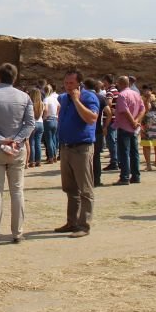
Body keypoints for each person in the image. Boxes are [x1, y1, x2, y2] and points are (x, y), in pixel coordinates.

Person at [0, 63, 35, 245]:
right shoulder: (24, 97)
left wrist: (0, 139)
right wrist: (16, 140)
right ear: (15, 78)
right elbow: (30, 124)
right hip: (17, 149)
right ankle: (17, 233)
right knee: (17, 191)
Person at [54, 71, 100, 238]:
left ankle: (84, 225)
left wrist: (76, 100)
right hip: (66, 148)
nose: (68, 86)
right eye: (66, 83)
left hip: (81, 148)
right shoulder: (63, 98)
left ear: (79, 84)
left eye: (71, 83)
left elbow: (92, 118)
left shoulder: (88, 97)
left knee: (85, 189)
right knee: (70, 188)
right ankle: (72, 221)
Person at [114, 76, 145, 185]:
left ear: (120, 83)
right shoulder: (136, 94)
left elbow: (125, 110)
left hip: (124, 126)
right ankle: (136, 176)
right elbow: (143, 109)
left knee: (124, 153)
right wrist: (136, 121)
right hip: (134, 128)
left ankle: (125, 177)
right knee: (134, 152)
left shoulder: (122, 95)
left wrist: (132, 121)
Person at [84, 78, 111, 187]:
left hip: (85, 130)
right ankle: (97, 180)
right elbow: (109, 113)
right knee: (96, 157)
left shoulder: (83, 97)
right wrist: (105, 126)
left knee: (85, 157)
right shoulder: (100, 97)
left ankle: (87, 180)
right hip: (98, 130)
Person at [102, 74, 119, 171]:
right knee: (114, 141)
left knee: (111, 141)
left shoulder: (109, 92)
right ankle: (116, 160)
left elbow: (108, 103)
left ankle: (114, 161)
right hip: (115, 119)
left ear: (106, 81)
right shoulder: (116, 90)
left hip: (110, 120)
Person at [42, 84, 60, 164]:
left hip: (48, 120)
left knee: (49, 140)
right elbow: (59, 106)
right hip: (55, 119)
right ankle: (55, 155)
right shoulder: (54, 99)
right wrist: (57, 114)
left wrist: (44, 117)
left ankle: (51, 157)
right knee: (53, 138)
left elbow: (45, 109)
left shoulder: (46, 99)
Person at [27, 88, 44, 168]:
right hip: (40, 123)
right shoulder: (42, 103)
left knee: (32, 143)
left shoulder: (30, 103)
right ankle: (38, 161)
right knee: (38, 143)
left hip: (32, 124)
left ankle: (32, 161)